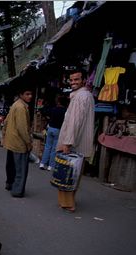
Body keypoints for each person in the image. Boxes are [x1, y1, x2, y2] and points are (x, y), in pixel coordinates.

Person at [56, 68, 95, 212]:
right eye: (71, 80)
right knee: (74, 174)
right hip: (80, 143)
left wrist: (67, 143)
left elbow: (75, 122)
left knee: (67, 174)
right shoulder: (86, 95)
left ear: (84, 80)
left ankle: (68, 203)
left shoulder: (80, 97)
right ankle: (69, 202)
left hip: (74, 143)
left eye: (76, 79)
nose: (73, 82)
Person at [3, 87, 33, 198]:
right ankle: (17, 190)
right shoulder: (21, 107)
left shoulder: (15, 105)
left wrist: (5, 135)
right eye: (27, 93)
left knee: (11, 166)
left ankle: (9, 184)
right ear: (21, 94)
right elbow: (22, 128)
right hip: (19, 143)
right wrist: (28, 143)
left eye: (31, 94)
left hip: (11, 141)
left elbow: (6, 122)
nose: (30, 96)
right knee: (20, 168)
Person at [39, 94, 69, 171]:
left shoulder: (53, 109)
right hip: (58, 130)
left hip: (50, 128)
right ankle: (50, 166)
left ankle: (42, 163)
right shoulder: (66, 111)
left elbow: (43, 111)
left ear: (58, 102)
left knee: (47, 146)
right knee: (54, 149)